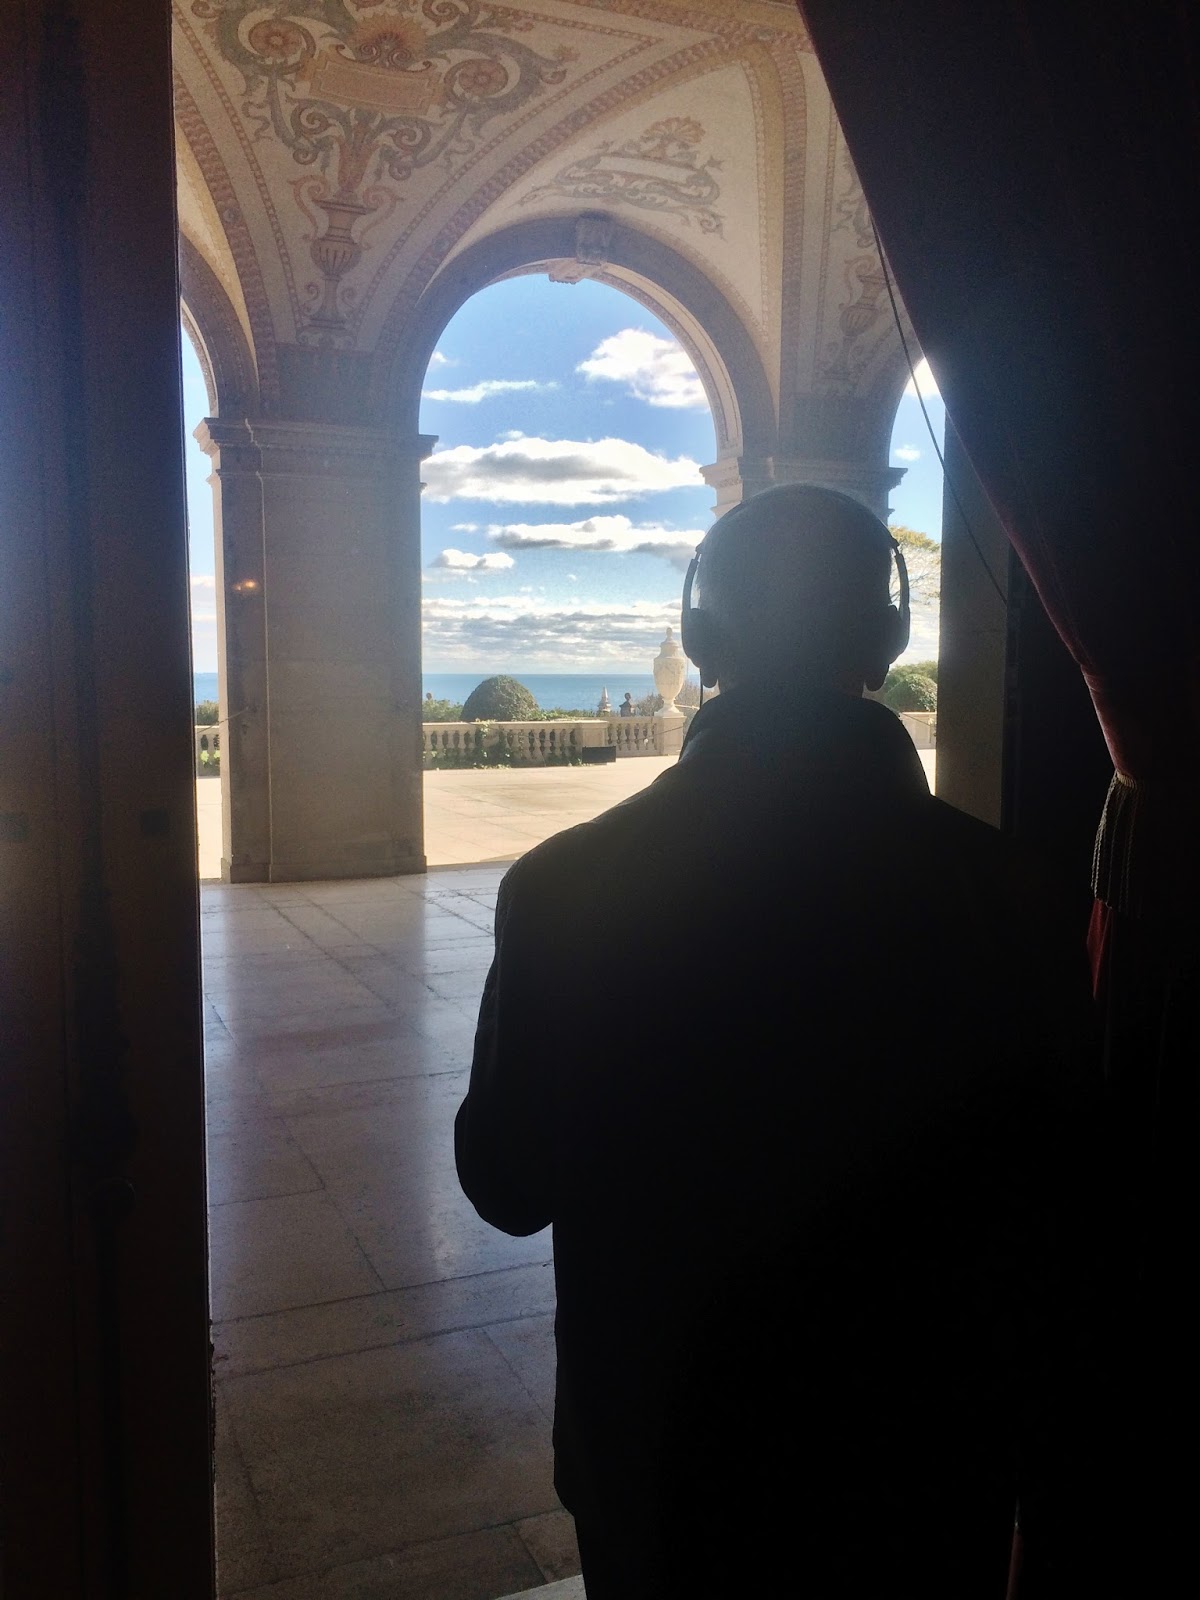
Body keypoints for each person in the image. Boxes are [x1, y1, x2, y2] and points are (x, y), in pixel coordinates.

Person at [455, 484, 1106, 1598]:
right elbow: (1066, 1209)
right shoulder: (1017, 894)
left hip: (663, 1459)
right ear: (888, 639)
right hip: (927, 1460)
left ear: (701, 638)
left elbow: (507, 1184)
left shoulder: (564, 886)